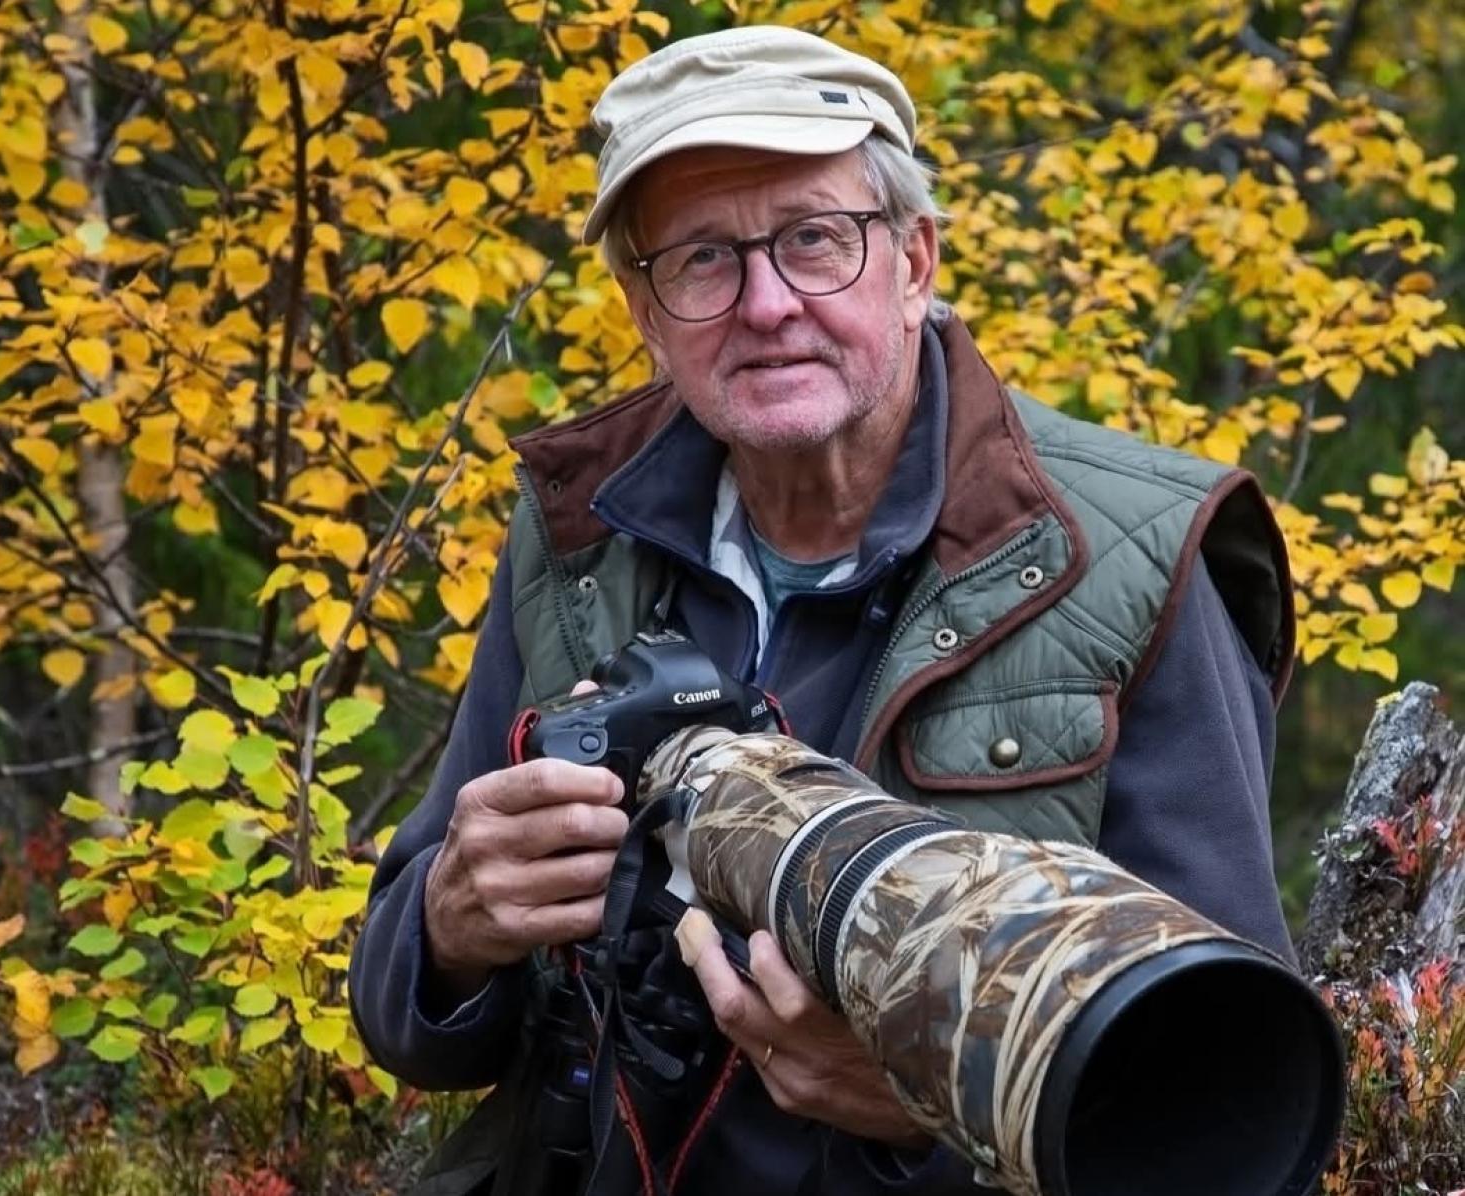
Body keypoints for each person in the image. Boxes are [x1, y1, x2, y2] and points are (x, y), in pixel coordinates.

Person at [350, 25, 1298, 1196]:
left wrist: (920, 1118)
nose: (765, 303)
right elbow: (407, 1013)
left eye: (814, 239)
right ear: (645, 311)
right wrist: (452, 927)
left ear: (914, 261)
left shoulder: (1125, 557)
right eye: (701, 258)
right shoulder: (577, 535)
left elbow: (1237, 1108)